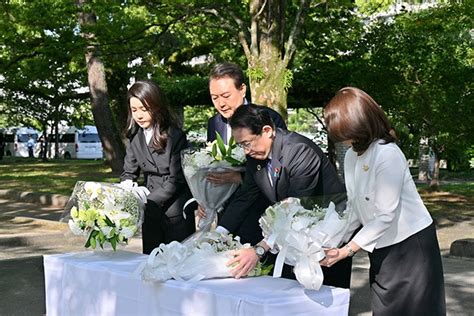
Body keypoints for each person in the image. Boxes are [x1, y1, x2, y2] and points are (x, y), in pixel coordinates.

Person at [320, 87, 445, 315]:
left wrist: (347, 250)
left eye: (346, 133)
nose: (345, 141)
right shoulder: (350, 156)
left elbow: (385, 214)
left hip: (411, 247)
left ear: (361, 124)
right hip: (379, 246)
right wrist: (328, 240)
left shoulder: (387, 153)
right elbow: (355, 208)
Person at [216, 104, 352, 289]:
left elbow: (295, 208)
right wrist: (217, 234)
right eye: (241, 145)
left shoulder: (299, 151)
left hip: (326, 240)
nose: (246, 151)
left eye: (247, 143)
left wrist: (259, 249)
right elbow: (245, 196)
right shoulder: (255, 156)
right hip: (289, 239)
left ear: (267, 131)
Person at [202, 62, 287, 245]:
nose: (221, 104)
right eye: (214, 98)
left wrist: (239, 177)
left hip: (261, 214)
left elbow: (278, 172)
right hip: (227, 214)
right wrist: (206, 199)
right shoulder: (214, 124)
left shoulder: (269, 118)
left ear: (242, 89)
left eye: (226, 96)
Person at [121, 80, 196, 255]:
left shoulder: (174, 135)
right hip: (150, 211)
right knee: (151, 260)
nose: (139, 115)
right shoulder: (135, 137)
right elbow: (128, 172)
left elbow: (176, 179)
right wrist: (123, 194)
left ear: (156, 106)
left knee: (178, 265)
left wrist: (148, 201)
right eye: (134, 110)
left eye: (144, 109)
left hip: (176, 211)